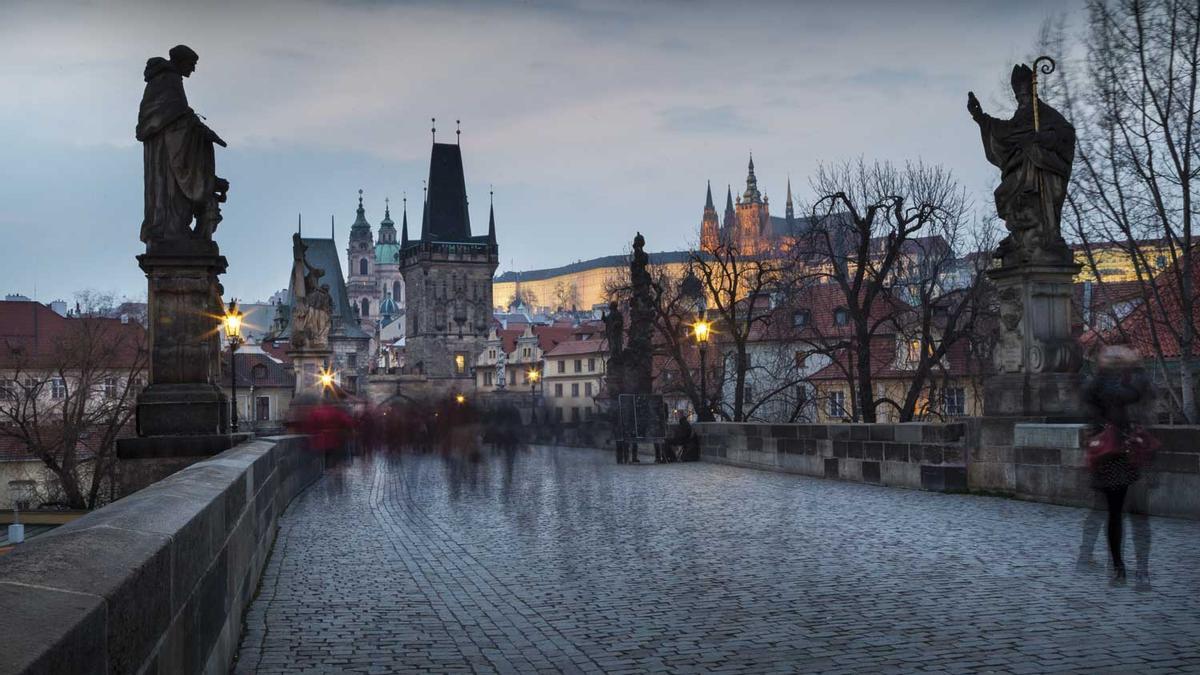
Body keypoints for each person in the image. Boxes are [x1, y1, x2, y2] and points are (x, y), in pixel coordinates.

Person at [1081, 345, 1153, 585]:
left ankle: (1120, 566)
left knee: (1115, 514)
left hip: (1112, 454)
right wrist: (1136, 366)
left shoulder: (1097, 384)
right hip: (1116, 454)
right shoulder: (1111, 385)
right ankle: (1125, 567)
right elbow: (1131, 394)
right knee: (1127, 514)